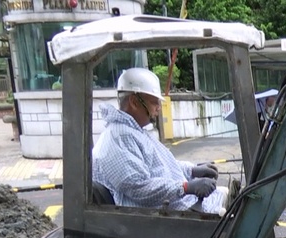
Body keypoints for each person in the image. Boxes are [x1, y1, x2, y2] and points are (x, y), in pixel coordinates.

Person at [93, 68, 226, 213]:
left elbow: (161, 166)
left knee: (230, 197)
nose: (158, 108)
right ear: (134, 102)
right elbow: (139, 188)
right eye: (154, 102)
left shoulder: (135, 131)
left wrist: (191, 170)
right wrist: (186, 187)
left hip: (177, 205)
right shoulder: (118, 137)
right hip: (161, 216)